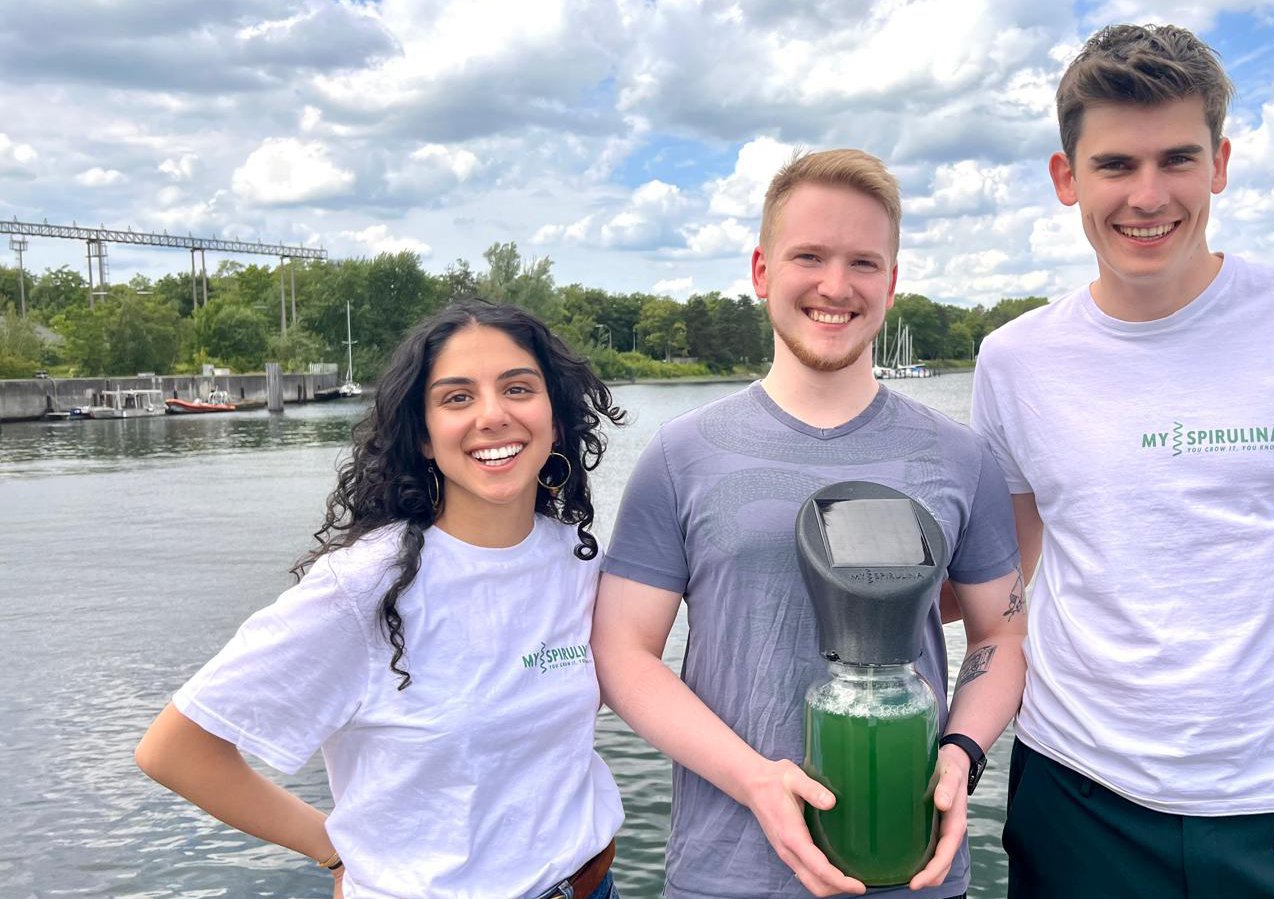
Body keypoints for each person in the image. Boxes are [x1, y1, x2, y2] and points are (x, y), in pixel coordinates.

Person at [969, 23, 1274, 898]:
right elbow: (1007, 582)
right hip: (1076, 795)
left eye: (1177, 160)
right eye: (1115, 165)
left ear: (1219, 163)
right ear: (1066, 177)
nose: (1148, 196)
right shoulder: (1014, 360)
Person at [593, 148, 1027, 899]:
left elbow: (999, 634)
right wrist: (755, 779)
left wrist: (960, 752)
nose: (835, 285)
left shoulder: (961, 458)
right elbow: (624, 652)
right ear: (762, 272)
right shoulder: (680, 455)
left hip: (912, 867)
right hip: (726, 871)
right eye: (809, 256)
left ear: (892, 282)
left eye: (863, 261)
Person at [135, 300, 628, 899]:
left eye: (518, 388)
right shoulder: (364, 585)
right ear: (422, 436)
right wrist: (335, 851)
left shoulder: (575, 558)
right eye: (457, 397)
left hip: (590, 884)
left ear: (555, 414)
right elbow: (176, 750)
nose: (493, 415)